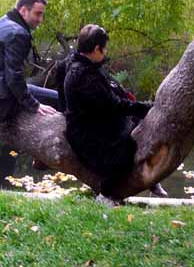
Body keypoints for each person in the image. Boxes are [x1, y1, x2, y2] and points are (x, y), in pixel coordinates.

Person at [63, 24, 163, 200]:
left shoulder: (83, 64)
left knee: (140, 125)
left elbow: (110, 95)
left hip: (96, 119)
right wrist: (147, 107)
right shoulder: (82, 75)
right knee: (127, 148)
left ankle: (152, 179)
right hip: (86, 130)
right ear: (96, 48)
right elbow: (114, 105)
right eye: (105, 48)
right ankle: (106, 194)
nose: (106, 52)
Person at [0, 0, 59, 123]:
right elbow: (14, 77)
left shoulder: (1, 22)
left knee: (43, 93)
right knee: (59, 99)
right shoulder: (18, 33)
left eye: (42, 14)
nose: (41, 20)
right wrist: (35, 105)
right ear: (23, 11)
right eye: (38, 13)